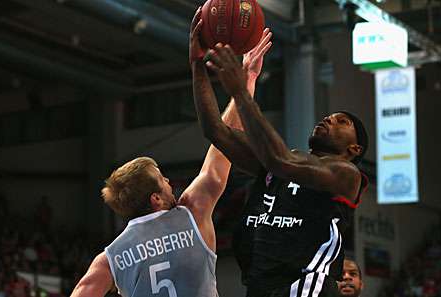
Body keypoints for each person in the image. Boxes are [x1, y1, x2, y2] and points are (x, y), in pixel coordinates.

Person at [70, 7, 270, 297]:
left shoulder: (110, 258)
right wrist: (246, 83)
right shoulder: (192, 213)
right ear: (156, 199)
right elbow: (220, 150)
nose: (169, 182)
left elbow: (81, 291)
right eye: (162, 179)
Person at [191, 31, 369, 297]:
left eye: (341, 121)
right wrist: (197, 63)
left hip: (306, 286)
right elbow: (215, 130)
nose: (329, 120)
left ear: (354, 149)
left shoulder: (346, 174)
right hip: (259, 285)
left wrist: (241, 92)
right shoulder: (280, 163)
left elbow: (281, 160)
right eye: (329, 116)